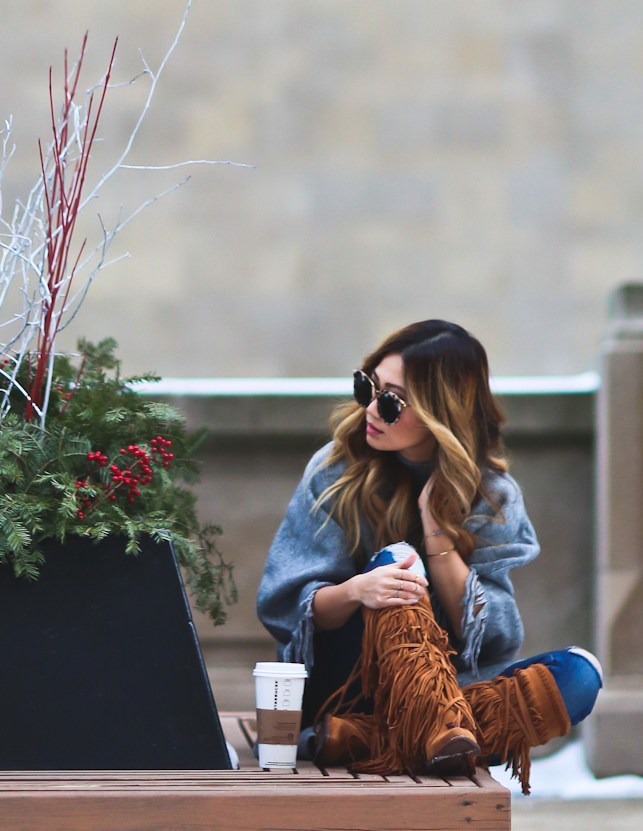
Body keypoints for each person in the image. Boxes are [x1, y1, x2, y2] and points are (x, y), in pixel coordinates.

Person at [256, 318, 601, 787]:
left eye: (392, 401)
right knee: (396, 562)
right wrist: (359, 590)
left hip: (447, 684)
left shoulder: (491, 494)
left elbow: (495, 639)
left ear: (444, 412)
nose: (371, 410)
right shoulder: (338, 468)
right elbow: (284, 606)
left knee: (580, 676)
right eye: (367, 387)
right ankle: (436, 730)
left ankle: (364, 740)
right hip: (344, 686)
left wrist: (438, 537)